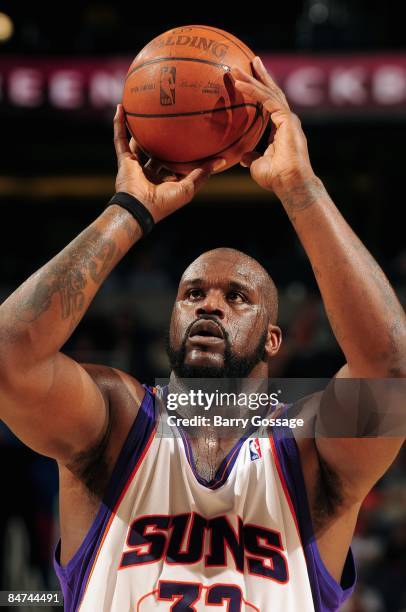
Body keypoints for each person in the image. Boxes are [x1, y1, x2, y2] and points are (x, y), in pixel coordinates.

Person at [0, 56, 404, 612]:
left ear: (273, 340)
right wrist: (129, 210)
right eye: (192, 294)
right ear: (170, 318)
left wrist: (299, 186)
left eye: (237, 297)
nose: (209, 304)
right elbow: (7, 359)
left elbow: (392, 373)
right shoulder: (118, 423)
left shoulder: (306, 448)